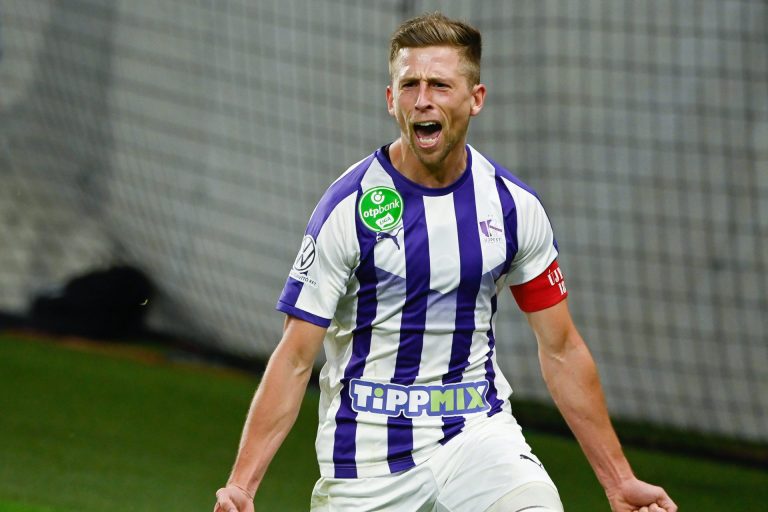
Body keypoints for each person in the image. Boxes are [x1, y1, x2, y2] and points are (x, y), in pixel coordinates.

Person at [214, 12, 677, 512]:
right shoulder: (349, 207)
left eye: (439, 84)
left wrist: (618, 481)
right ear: (391, 99)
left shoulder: (512, 207)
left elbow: (561, 348)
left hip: (477, 438)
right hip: (365, 461)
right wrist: (242, 486)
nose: (422, 99)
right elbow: (295, 356)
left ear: (475, 99)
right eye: (409, 85)